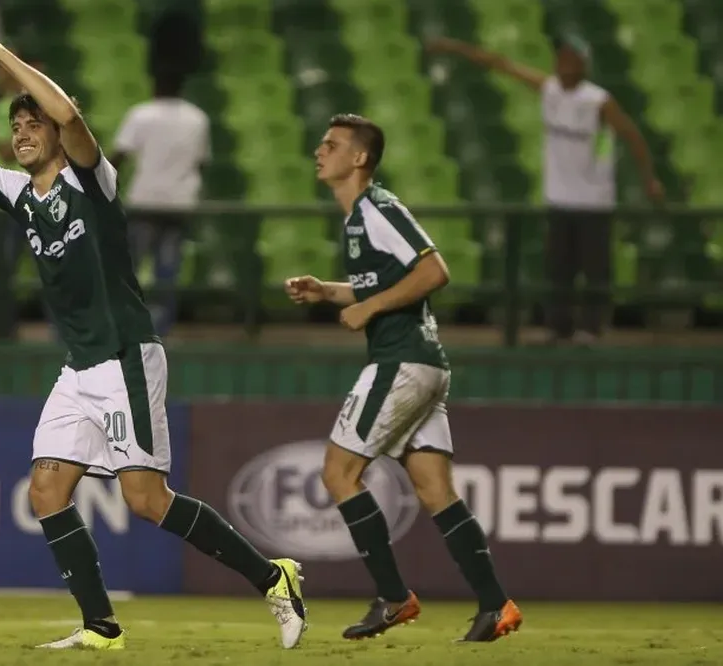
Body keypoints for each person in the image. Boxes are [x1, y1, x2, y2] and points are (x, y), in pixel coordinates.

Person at [0, 31, 306, 651]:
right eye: (15, 126)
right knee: (45, 492)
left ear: (53, 133)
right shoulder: (22, 196)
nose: (22, 133)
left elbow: (70, 114)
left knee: (146, 501)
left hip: (126, 355)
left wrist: (2, 57)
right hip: (79, 367)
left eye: (31, 124)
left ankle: (273, 579)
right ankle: (100, 626)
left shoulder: (90, 180)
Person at [284, 114, 522, 643]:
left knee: (338, 473)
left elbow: (435, 270)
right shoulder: (356, 221)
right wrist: (328, 291)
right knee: (435, 489)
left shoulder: (377, 208)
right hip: (426, 364)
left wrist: (369, 311)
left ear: (359, 159)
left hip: (402, 360)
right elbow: (383, 282)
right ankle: (495, 606)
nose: (319, 151)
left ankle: (393, 597)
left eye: (332, 145)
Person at [425, 34, 664, 345]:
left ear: (583, 65)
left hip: (594, 200)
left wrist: (649, 178)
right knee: (559, 268)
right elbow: (501, 65)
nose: (563, 64)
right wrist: (453, 46)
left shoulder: (598, 101)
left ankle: (591, 328)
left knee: (595, 269)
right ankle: (559, 327)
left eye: (570, 59)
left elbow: (631, 135)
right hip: (559, 198)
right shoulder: (549, 89)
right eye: (560, 58)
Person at [110, 67, 211, 335]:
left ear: (155, 88)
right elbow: (202, 164)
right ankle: (159, 331)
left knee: (130, 267)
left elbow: (118, 157)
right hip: (180, 203)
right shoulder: (197, 118)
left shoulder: (141, 114)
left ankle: (124, 324)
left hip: (145, 200)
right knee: (167, 270)